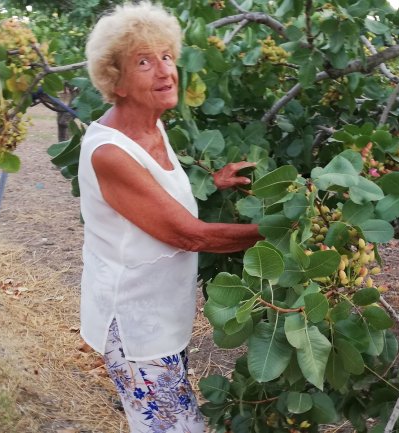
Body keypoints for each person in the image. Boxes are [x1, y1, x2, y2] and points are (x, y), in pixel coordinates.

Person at [79, 2, 262, 432]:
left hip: (162, 314)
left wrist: (212, 182)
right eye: (144, 62)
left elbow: (155, 195)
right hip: (135, 324)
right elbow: (189, 235)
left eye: (166, 56)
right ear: (115, 80)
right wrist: (282, 232)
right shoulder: (109, 152)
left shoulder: (151, 126)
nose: (165, 71)